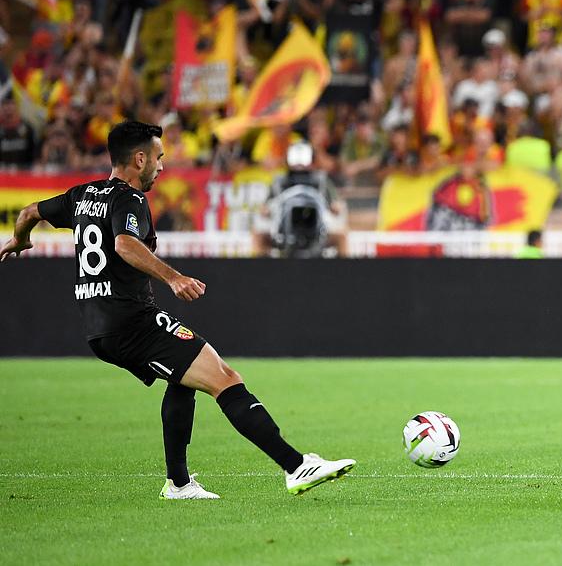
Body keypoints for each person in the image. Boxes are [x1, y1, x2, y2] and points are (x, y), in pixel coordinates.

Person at [0, 121, 355, 499]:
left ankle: (179, 483)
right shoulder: (130, 199)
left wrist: (19, 240)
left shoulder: (81, 195)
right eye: (158, 157)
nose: (161, 166)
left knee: (183, 381)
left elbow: (29, 212)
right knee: (225, 378)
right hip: (132, 322)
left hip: (99, 325)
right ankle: (296, 466)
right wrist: (174, 277)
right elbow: (124, 244)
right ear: (139, 159)